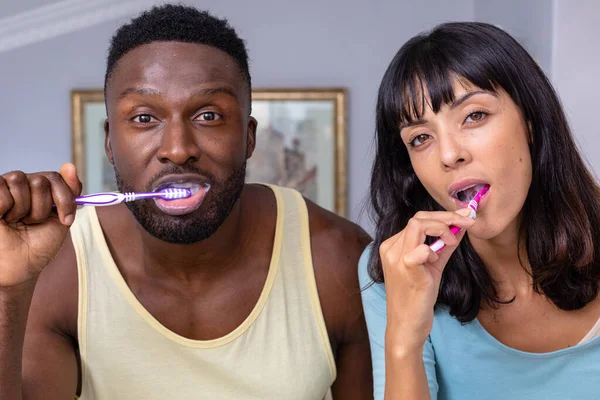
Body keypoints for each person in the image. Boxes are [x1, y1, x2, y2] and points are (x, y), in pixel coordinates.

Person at [0, 5, 373, 399]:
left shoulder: (340, 261)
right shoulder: (61, 270)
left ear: (249, 137)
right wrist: (8, 291)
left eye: (208, 115)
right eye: (145, 118)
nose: (178, 149)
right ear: (110, 141)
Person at [359, 21, 600, 400]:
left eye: (474, 116)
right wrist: (404, 339)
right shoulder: (394, 267)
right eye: (421, 138)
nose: (449, 154)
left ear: (532, 122)